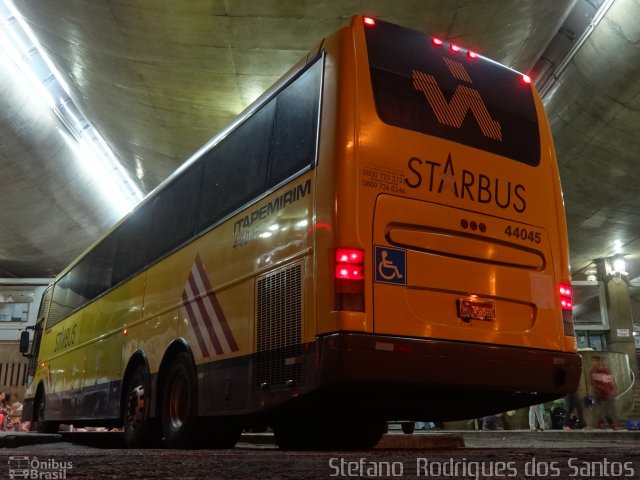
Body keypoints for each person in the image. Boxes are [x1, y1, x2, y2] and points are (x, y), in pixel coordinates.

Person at [589, 356, 618, 429]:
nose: (598, 363)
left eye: (599, 361)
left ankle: (603, 423)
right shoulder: (592, 371)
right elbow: (592, 382)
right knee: (602, 409)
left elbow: (610, 381)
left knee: (606, 409)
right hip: (598, 393)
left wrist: (614, 388)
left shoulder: (607, 370)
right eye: (595, 361)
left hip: (607, 392)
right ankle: (608, 424)